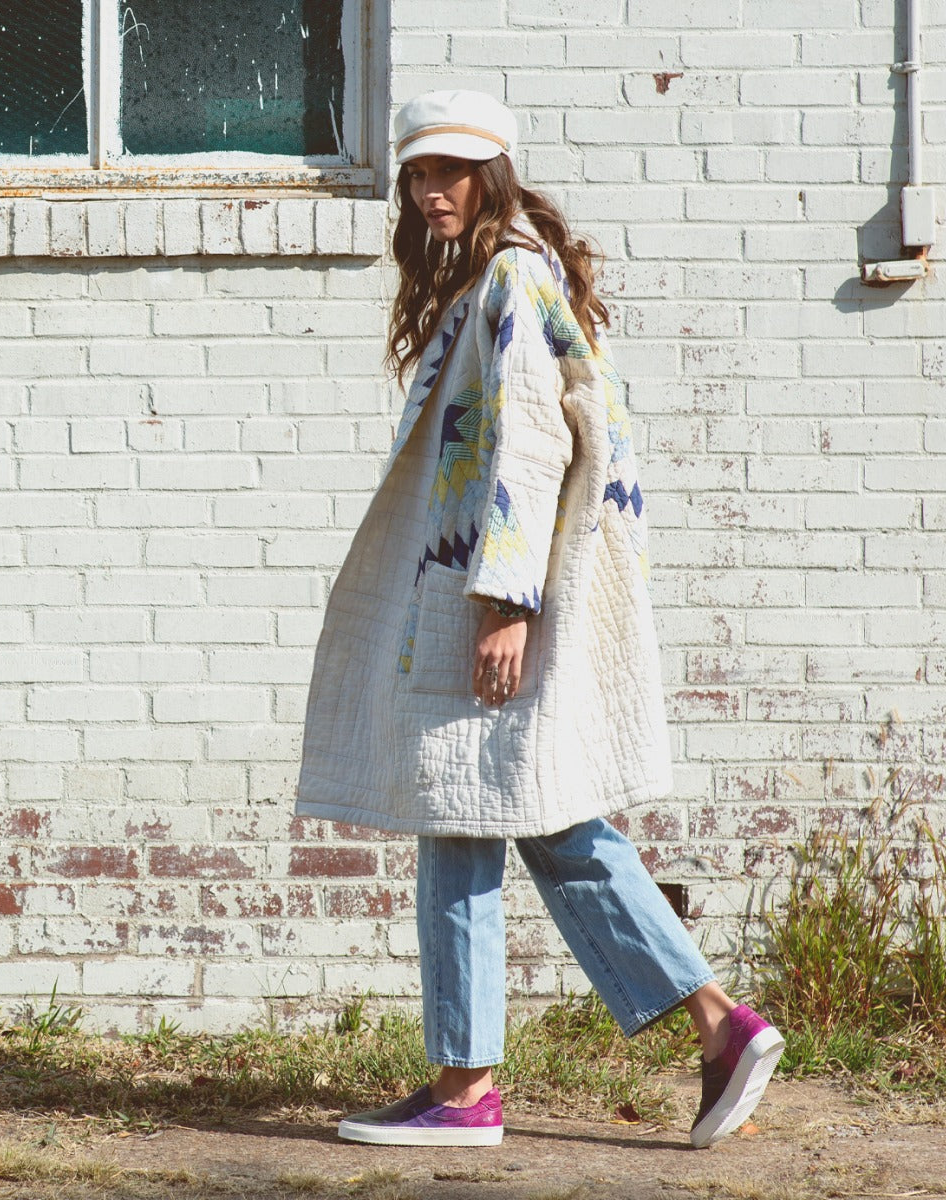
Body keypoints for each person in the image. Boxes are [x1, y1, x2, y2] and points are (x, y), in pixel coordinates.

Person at [295, 89, 784, 1150]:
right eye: (417, 173)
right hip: (474, 590)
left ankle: (475, 1088)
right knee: (521, 819)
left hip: (486, 597)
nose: (430, 190)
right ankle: (706, 1027)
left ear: (494, 172)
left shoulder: (510, 274)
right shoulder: (497, 274)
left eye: (451, 172)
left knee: (487, 821)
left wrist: (502, 605)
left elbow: (525, 444)